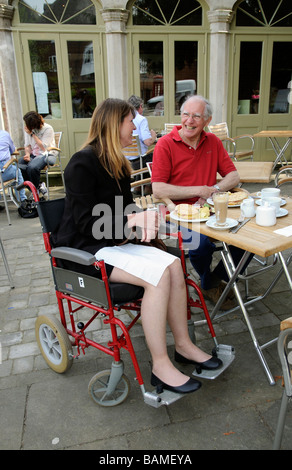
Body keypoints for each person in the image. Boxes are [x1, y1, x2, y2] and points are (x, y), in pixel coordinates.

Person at [50, 98, 222, 394]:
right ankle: (160, 365)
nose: (135, 126)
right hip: (85, 249)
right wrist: (131, 223)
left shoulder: (117, 163)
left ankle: (183, 346)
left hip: (113, 242)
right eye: (131, 121)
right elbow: (85, 224)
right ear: (114, 124)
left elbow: (126, 208)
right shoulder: (81, 163)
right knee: (156, 277)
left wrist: (145, 220)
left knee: (172, 265)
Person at [151, 94, 253, 310]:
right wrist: (199, 190)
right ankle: (210, 281)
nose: (189, 121)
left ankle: (210, 282)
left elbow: (233, 176)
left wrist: (213, 191)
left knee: (250, 237)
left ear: (207, 120)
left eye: (196, 116)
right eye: (186, 115)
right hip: (178, 213)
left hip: (210, 209)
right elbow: (157, 188)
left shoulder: (213, 142)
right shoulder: (165, 144)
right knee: (201, 245)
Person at [18, 111, 57, 198]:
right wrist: (27, 154)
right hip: (33, 154)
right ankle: (37, 187)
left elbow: (44, 147)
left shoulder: (48, 129)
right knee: (20, 165)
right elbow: (27, 145)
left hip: (46, 153)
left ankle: (35, 191)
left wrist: (32, 135)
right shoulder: (28, 129)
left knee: (32, 167)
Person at [126, 95, 157, 170]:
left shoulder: (123, 117)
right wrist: (153, 135)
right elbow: (148, 142)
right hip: (138, 162)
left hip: (125, 161)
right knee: (156, 155)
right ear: (140, 106)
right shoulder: (141, 119)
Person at [0, 130, 28, 211]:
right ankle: (22, 199)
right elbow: (12, 150)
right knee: (17, 171)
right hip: (3, 172)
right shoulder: (4, 134)